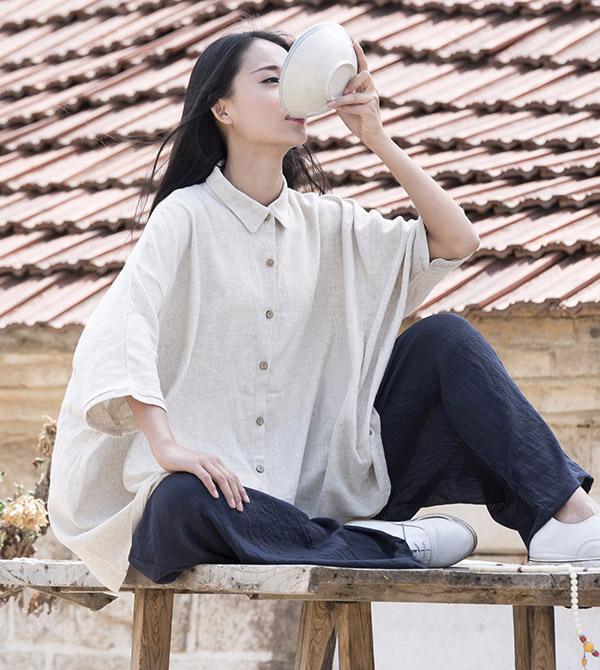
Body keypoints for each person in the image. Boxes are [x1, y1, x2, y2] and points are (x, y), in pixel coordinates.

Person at [48, 30, 597, 598]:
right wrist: (167, 446)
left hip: (329, 484)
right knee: (179, 502)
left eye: (293, 78)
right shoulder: (184, 216)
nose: (291, 92)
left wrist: (375, 136)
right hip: (216, 498)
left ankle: (567, 519)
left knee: (446, 339)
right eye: (270, 80)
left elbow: (456, 241)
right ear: (222, 108)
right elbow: (124, 329)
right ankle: (376, 544)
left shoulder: (330, 223)